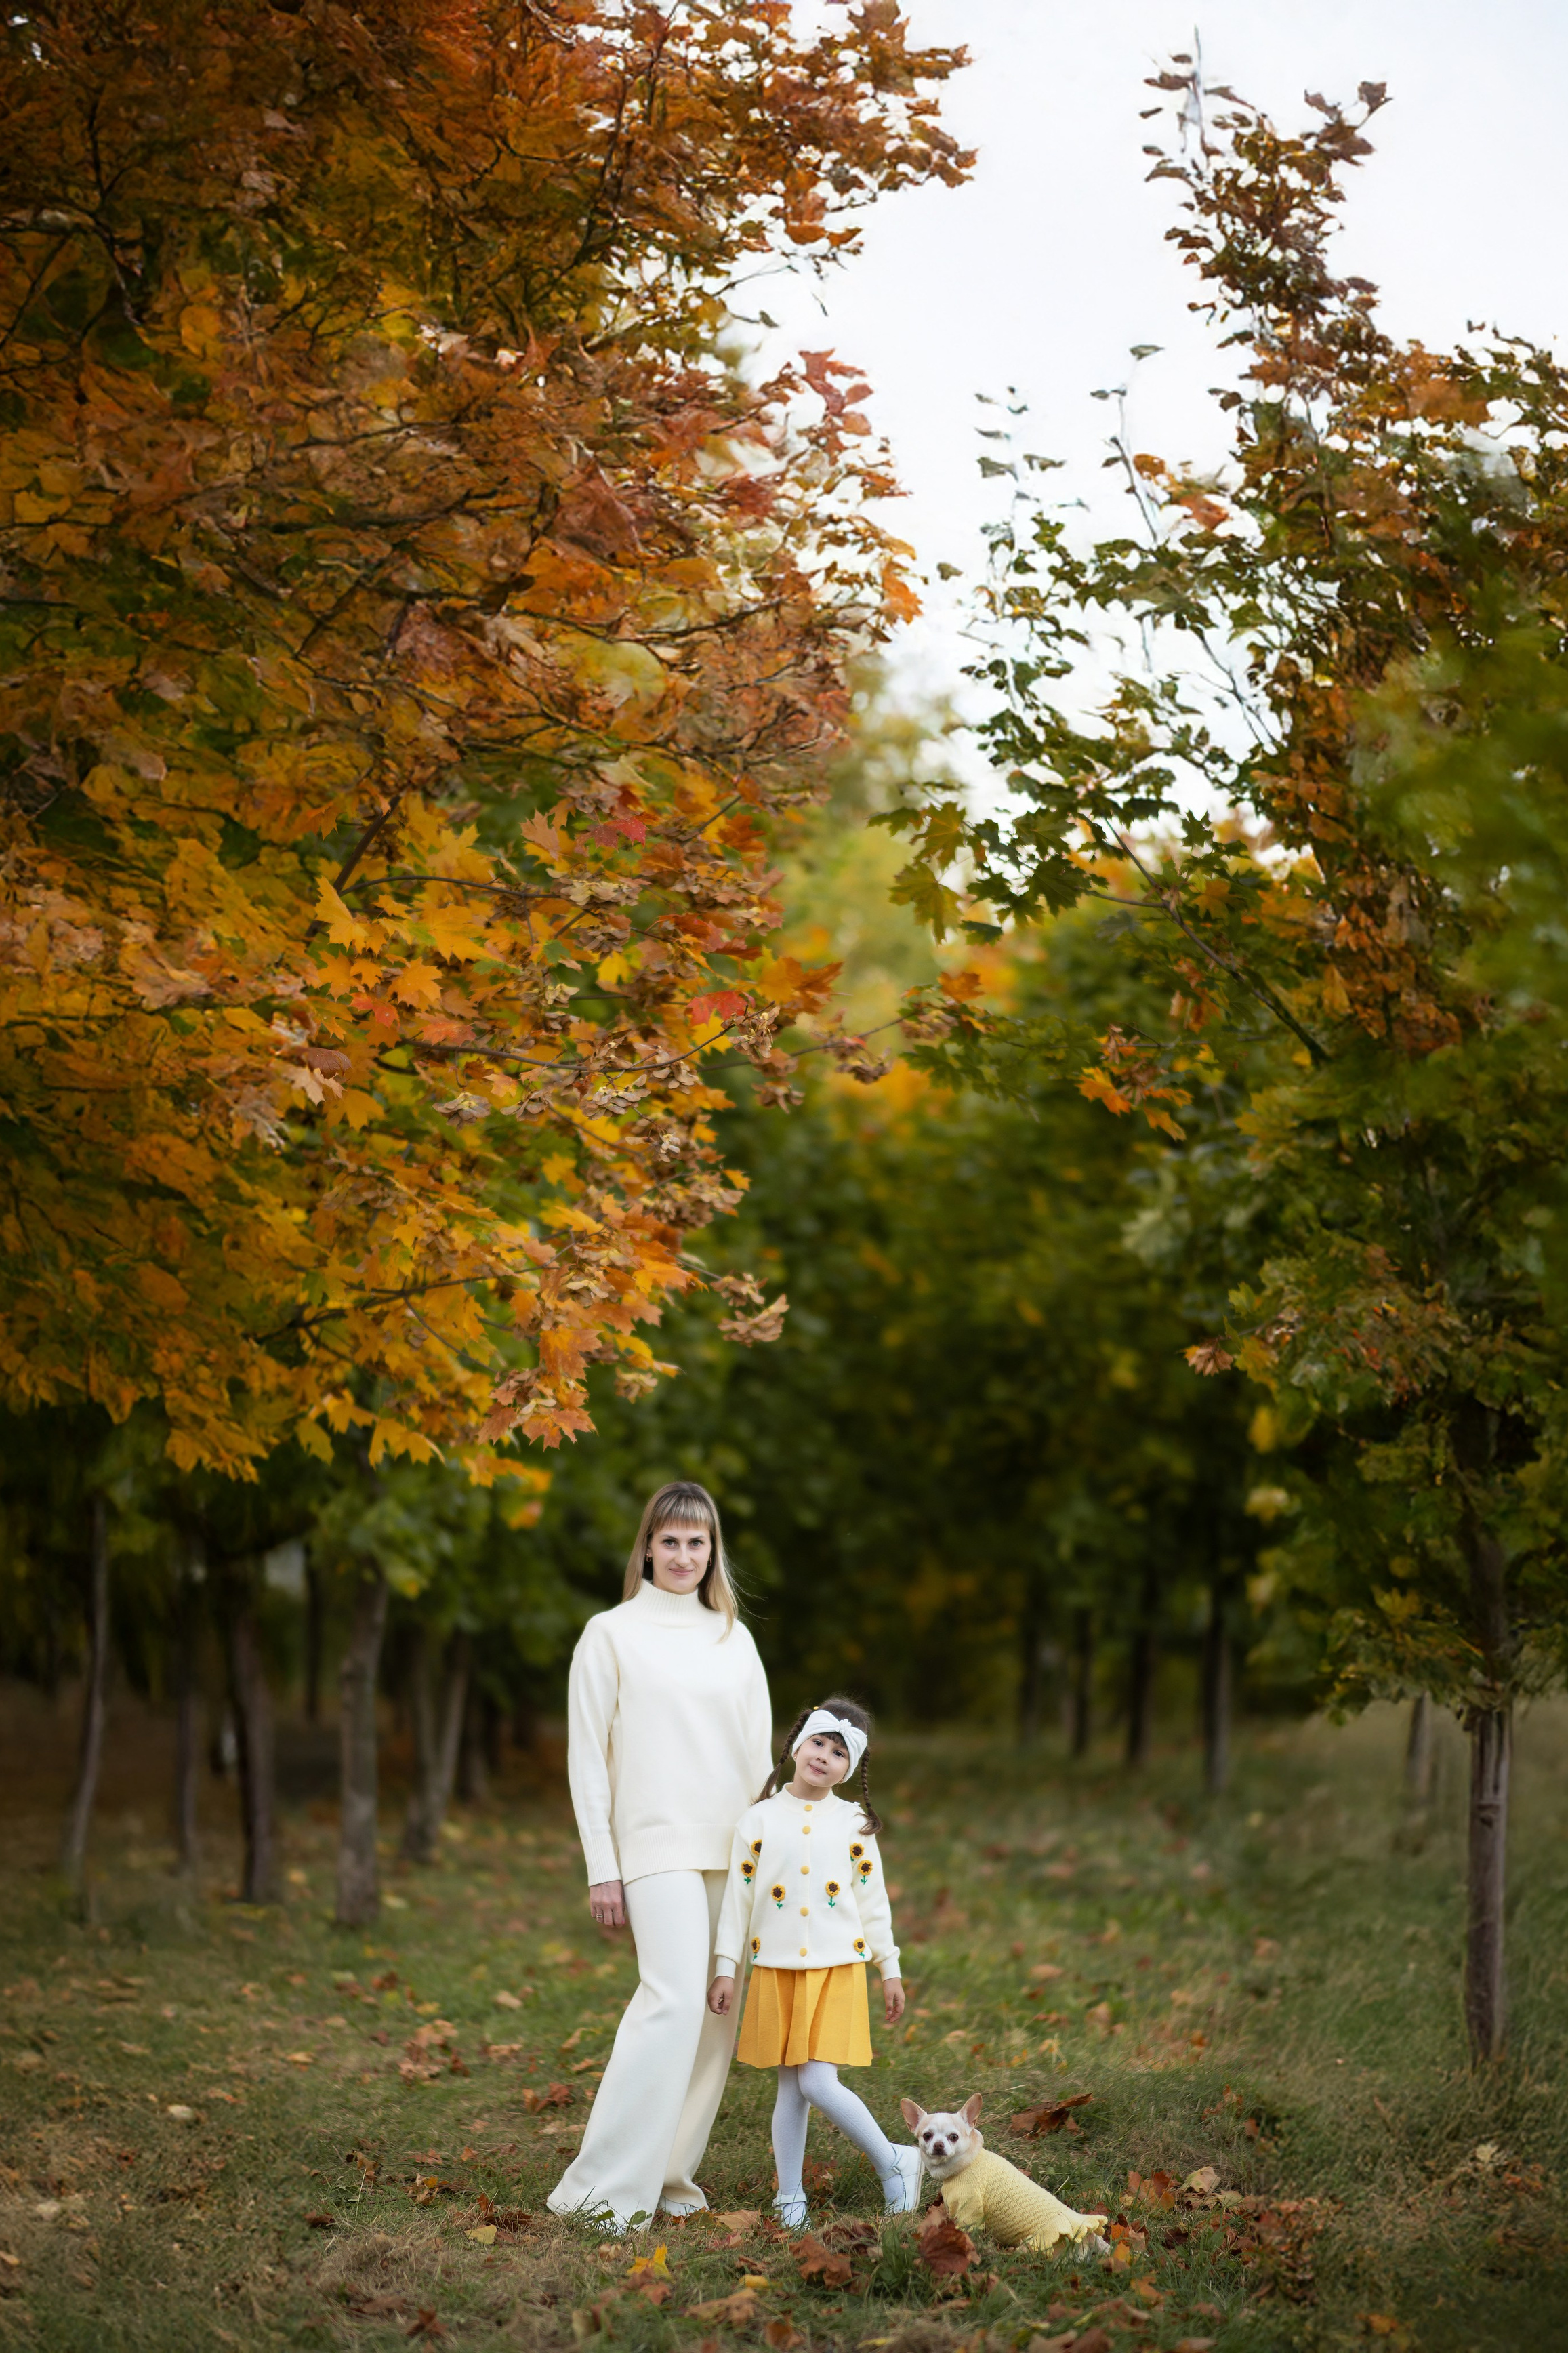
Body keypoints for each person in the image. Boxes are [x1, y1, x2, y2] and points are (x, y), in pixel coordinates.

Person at [548, 1480, 774, 2234]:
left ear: (713, 1551)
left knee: (714, 2015)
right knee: (672, 2000)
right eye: (669, 1540)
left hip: (732, 1850)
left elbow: (758, 1763)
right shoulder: (609, 1634)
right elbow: (588, 1757)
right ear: (647, 1547)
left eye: (696, 1541)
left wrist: (773, 1857)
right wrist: (601, 1865)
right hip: (652, 1845)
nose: (683, 1554)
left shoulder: (733, 1638)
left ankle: (669, 2173)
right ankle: (602, 2192)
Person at [708, 1696, 924, 2225]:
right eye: (819, 1742)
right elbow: (738, 1900)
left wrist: (889, 1967)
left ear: (851, 1769)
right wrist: (725, 1966)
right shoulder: (758, 1821)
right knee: (790, 2087)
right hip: (776, 1968)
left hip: (836, 1967)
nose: (825, 1756)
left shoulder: (853, 1824)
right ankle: (790, 2197)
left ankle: (895, 2161)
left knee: (816, 2083)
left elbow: (873, 1901)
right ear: (798, 1744)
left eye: (840, 1752)